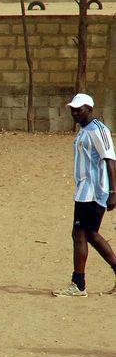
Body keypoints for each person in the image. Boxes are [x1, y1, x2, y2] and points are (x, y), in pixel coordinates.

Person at [53, 93, 116, 297]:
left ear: (89, 109)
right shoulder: (84, 131)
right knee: (88, 234)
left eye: (78, 110)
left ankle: (78, 284)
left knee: (80, 235)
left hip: (94, 192)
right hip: (83, 191)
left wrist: (113, 192)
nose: (74, 113)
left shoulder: (99, 130)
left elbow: (110, 160)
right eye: (72, 109)